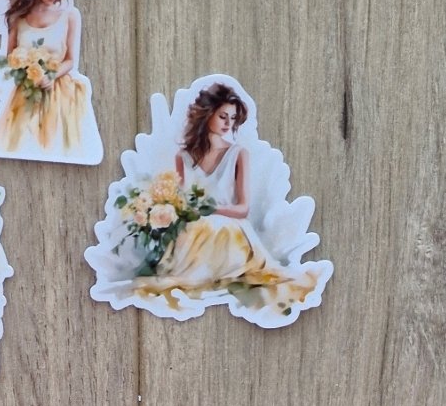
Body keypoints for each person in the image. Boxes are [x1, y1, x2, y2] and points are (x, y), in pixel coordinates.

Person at [128, 84, 327, 319]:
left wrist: (212, 209)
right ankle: (195, 273)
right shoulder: (183, 157)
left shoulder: (238, 154)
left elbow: (243, 208)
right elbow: (181, 205)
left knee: (217, 227)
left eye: (232, 118)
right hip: (194, 230)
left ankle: (219, 273)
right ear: (207, 114)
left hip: (230, 227)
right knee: (190, 232)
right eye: (223, 116)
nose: (228, 123)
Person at [0, 0, 101, 164]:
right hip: (28, 90)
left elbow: (70, 60)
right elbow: (11, 55)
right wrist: (27, 69)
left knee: (59, 142)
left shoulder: (69, 15)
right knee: (20, 141)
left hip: (60, 90)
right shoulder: (19, 16)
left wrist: (51, 75)